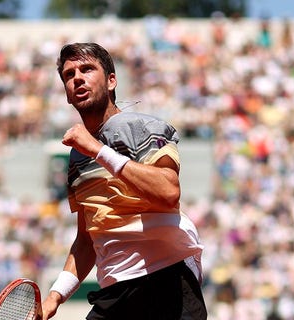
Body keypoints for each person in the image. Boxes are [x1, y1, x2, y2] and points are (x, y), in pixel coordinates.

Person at [41, 42, 207, 319]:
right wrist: (55, 297)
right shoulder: (77, 157)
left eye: (87, 69)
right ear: (67, 95)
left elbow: (168, 192)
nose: (77, 78)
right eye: (69, 75)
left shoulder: (142, 127)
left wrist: (97, 149)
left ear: (111, 81)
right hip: (114, 292)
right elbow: (87, 239)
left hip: (166, 280)